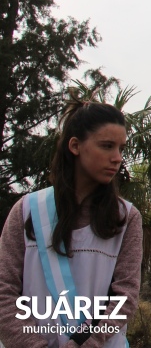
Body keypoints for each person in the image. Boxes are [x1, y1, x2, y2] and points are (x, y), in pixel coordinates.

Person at [0, 98, 143, 348]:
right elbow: (4, 290)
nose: (117, 158)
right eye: (107, 146)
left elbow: (125, 297)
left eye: (121, 148)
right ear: (75, 146)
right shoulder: (27, 210)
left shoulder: (126, 217)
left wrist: (88, 342)